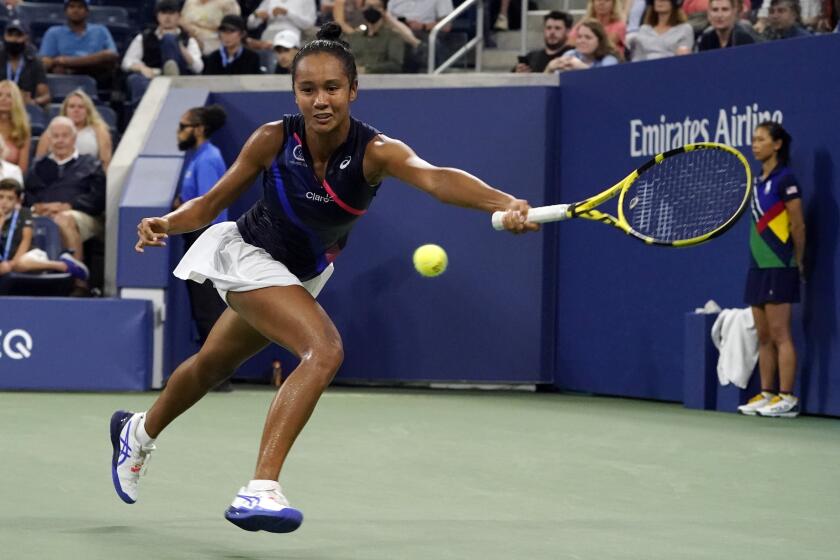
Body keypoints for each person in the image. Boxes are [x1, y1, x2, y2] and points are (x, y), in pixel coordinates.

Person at [113, 21, 539, 533]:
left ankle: (137, 431)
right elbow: (211, 203)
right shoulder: (272, 138)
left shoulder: (376, 151)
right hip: (247, 256)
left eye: (332, 88)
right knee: (324, 349)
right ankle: (260, 488)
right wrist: (166, 222)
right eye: (307, 89)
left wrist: (505, 203)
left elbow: (437, 178)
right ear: (294, 92)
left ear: (353, 90)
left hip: (302, 273)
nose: (320, 100)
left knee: (209, 366)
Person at [737, 122, 805, 418]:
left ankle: (787, 397)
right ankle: (767, 394)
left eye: (761, 139)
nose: (755, 144)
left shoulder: (785, 179)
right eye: (753, 139)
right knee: (762, 335)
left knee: (780, 334)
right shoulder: (755, 181)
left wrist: (798, 259)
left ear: (777, 144)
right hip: (757, 266)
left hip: (780, 264)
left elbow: (798, 224)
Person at [173, 105, 230, 387]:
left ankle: (217, 376)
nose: (178, 132)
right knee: (202, 308)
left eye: (183, 126)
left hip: (206, 239)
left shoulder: (208, 159)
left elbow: (207, 207)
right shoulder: (196, 158)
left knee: (209, 309)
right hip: (197, 240)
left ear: (199, 129)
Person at [24, 116, 105, 285]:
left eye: (65, 135)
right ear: (49, 139)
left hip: (83, 216)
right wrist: (38, 207)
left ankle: (78, 282)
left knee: (63, 219)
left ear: (74, 138)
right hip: (43, 214)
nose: (60, 140)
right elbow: (28, 195)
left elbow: (98, 199)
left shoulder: (91, 164)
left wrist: (69, 206)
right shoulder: (38, 166)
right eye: (55, 136)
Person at [0, 178, 89, 281]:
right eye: (1, 197)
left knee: (21, 264)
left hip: (28, 255)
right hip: (5, 261)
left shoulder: (24, 213)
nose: (4, 202)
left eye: (10, 198)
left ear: (19, 201)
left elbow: (26, 240)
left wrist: (12, 264)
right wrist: (1, 221)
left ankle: (63, 265)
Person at [122, 0, 205, 107]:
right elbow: (127, 62)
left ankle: (171, 72)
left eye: (171, 13)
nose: (167, 17)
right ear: (157, 16)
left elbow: (198, 67)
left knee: (169, 39)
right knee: (135, 80)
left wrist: (179, 46)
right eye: (163, 13)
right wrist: (142, 68)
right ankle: (143, 112)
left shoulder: (188, 40)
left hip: (180, 76)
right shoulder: (144, 37)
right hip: (153, 76)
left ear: (178, 16)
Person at [39, 0, 119, 88]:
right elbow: (45, 61)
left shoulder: (101, 30)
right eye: (72, 6)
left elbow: (111, 55)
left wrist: (66, 61)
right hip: (65, 80)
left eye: (80, 7)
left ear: (87, 11)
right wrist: (90, 61)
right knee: (57, 70)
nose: (75, 10)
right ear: (65, 11)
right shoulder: (53, 32)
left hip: (97, 77)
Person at [35, 90, 112, 170]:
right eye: (72, 106)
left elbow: (105, 162)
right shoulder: (52, 130)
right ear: (65, 110)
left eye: (81, 107)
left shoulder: (99, 130)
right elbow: (39, 162)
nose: (76, 110)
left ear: (88, 111)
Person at [0, 19, 50, 107]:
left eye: (18, 35)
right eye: (10, 35)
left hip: (25, 109)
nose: (14, 39)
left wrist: (33, 102)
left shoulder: (34, 62)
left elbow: (45, 96)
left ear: (26, 38)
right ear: (4, 36)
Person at [345, 0, 405, 73]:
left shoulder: (393, 37)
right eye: (368, 6)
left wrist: (367, 69)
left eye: (376, 6)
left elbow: (395, 65)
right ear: (362, 9)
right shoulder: (354, 37)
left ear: (384, 10)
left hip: (382, 81)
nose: (371, 9)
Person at [626, 0, 694, 61]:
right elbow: (637, 59)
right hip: (646, 71)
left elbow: (683, 59)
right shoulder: (644, 30)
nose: (659, 1)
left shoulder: (684, 29)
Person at [546, 18, 620, 72]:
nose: (582, 41)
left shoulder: (609, 59)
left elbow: (605, 82)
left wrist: (581, 67)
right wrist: (550, 68)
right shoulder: (570, 55)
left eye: (588, 37)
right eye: (579, 37)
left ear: (600, 41)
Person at [246, 0, 317, 42]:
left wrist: (287, 13)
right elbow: (250, 25)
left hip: (292, 34)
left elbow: (309, 24)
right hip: (269, 34)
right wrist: (256, 16)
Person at [0, 80, 30, 173]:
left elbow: (22, 170)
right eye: (0, 95)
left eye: (9, 96)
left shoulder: (23, 130)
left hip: (10, 183)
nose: (3, 99)